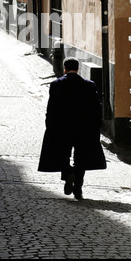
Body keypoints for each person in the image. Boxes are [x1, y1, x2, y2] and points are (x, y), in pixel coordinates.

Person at [38, 57, 106, 200]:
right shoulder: (89, 85)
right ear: (78, 68)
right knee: (81, 159)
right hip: (84, 128)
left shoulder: (56, 84)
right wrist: (96, 126)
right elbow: (97, 107)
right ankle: (78, 189)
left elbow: (51, 108)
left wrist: (49, 125)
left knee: (63, 154)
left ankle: (68, 173)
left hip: (62, 127)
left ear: (64, 68)